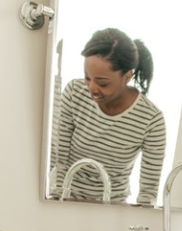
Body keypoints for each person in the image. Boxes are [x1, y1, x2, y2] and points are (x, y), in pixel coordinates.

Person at [50, 28, 166, 204]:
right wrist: (58, 199)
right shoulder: (75, 92)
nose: (92, 88)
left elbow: (148, 193)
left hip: (113, 208)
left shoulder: (151, 120)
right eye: (87, 78)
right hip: (65, 199)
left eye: (102, 82)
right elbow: (60, 157)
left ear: (127, 76)